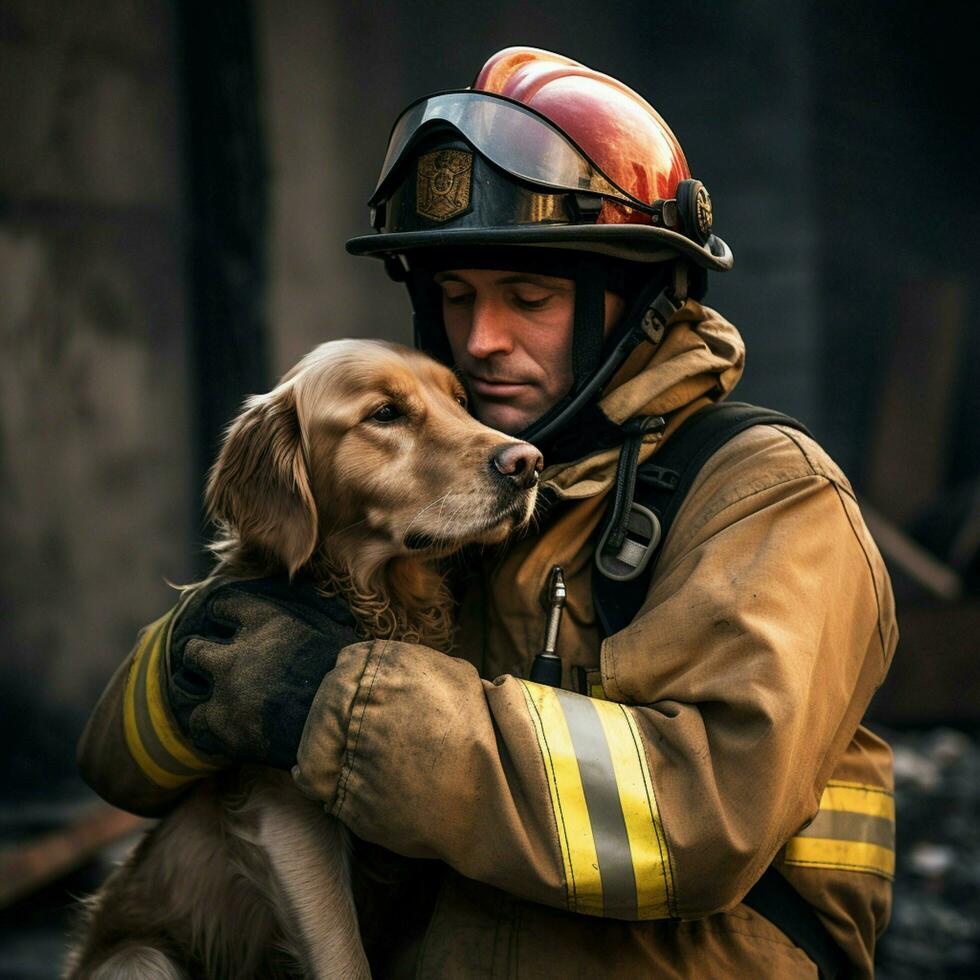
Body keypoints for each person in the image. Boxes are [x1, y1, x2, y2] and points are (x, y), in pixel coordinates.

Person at [77, 47, 897, 978]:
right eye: (455, 298)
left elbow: (702, 816)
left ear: (635, 302)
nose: (481, 342)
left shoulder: (764, 494)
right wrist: (201, 652)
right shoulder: (450, 510)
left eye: (530, 298)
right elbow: (116, 768)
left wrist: (328, 703)